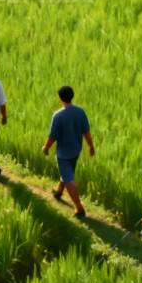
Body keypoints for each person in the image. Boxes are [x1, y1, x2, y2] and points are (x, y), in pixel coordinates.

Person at [43, 85, 94, 218]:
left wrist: (46, 148)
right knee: (67, 173)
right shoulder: (80, 112)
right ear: (72, 96)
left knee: (69, 179)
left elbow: (52, 137)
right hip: (76, 150)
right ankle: (59, 191)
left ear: (60, 98)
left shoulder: (58, 115)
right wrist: (91, 146)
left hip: (63, 154)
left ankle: (79, 208)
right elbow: (86, 132)